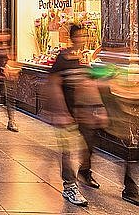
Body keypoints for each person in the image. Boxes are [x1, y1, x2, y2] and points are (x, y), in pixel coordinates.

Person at [48, 24, 104, 206]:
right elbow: (54, 85)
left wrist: (99, 107)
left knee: (87, 147)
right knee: (68, 151)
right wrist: (62, 112)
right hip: (67, 113)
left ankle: (84, 172)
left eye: (84, 36)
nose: (82, 39)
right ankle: (70, 186)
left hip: (84, 112)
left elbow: (90, 84)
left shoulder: (84, 59)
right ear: (72, 37)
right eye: (79, 36)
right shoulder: (62, 58)